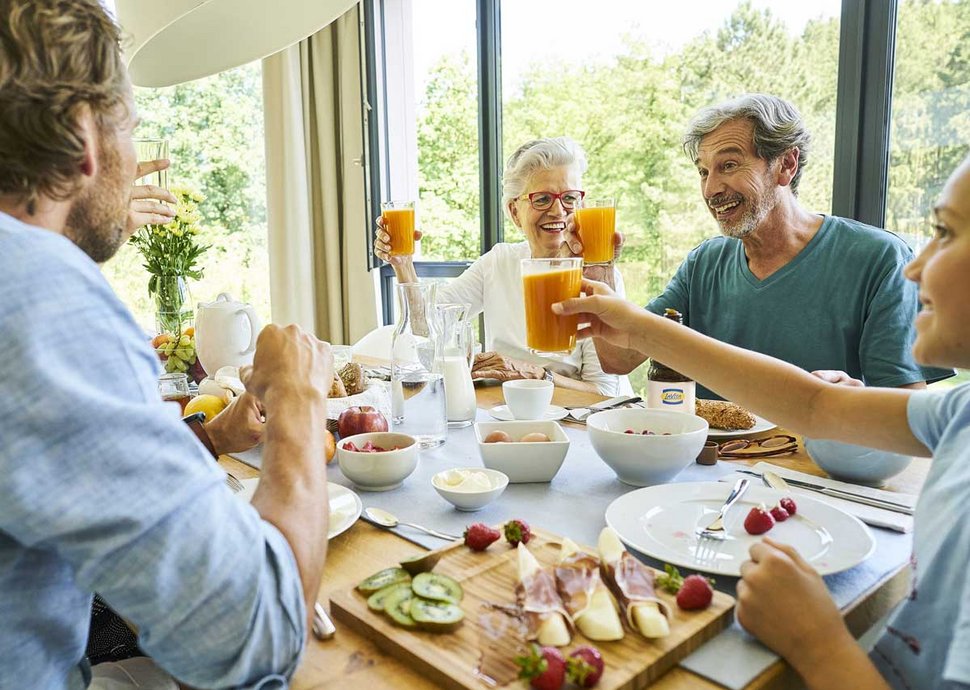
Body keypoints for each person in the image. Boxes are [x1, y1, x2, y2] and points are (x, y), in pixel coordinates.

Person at [0, 2, 333, 689]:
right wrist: (299, 398)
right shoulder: (37, 291)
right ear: (82, 133)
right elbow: (255, 638)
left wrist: (208, 440)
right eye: (133, 126)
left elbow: (48, 471)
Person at [552, 153, 970, 690]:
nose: (915, 266)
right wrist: (639, 329)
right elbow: (815, 407)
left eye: (946, 233)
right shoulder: (959, 413)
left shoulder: (876, 260)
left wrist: (815, 640)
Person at [583, 93, 950, 397]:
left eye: (729, 164)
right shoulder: (704, 263)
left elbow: (907, 411)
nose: (711, 189)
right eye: (703, 171)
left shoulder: (879, 259)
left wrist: (853, 399)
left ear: (786, 165)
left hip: (811, 473)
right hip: (707, 472)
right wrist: (595, 261)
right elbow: (618, 359)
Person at [375, 137, 630, 395]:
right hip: (503, 411)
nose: (558, 210)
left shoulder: (599, 277)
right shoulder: (498, 263)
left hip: (568, 419)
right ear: (514, 212)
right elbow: (427, 326)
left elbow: (604, 391)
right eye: (542, 199)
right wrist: (403, 263)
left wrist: (538, 374)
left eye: (570, 198)